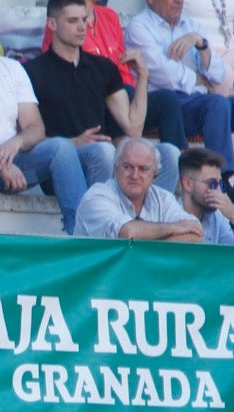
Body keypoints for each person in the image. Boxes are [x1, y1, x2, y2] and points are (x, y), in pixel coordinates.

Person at [0, 5, 88, 235]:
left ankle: (82, 236)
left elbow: (35, 127)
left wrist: (15, 144)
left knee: (61, 147)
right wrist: (0, 163)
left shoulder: (12, 68)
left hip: (15, 164)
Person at [26, 0, 179, 192]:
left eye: (84, 20)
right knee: (104, 151)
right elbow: (27, 137)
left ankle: (149, 219)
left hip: (104, 159)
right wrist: (73, 143)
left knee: (170, 154)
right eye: (73, 21)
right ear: (52, 24)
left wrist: (143, 77)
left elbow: (133, 129)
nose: (82, 27)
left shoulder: (103, 67)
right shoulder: (32, 71)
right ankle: (100, 218)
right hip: (59, 164)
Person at [125, 0, 234, 178]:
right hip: (167, 106)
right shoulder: (139, 27)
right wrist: (198, 80)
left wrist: (200, 44)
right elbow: (163, 74)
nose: (179, 1)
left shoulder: (191, 26)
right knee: (217, 104)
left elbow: (217, 74)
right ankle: (222, 178)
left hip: (197, 100)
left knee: (221, 104)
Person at [74, 138, 202, 241]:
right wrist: (174, 228)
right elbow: (127, 233)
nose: (135, 176)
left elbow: (195, 233)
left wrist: (147, 240)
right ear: (115, 169)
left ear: (155, 175)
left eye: (143, 169)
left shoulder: (163, 198)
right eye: (128, 167)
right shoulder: (97, 196)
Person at [177, 147, 234, 244]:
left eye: (220, 184)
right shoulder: (167, 214)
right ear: (187, 184)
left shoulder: (217, 216)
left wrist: (232, 215)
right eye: (212, 184)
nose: (218, 190)